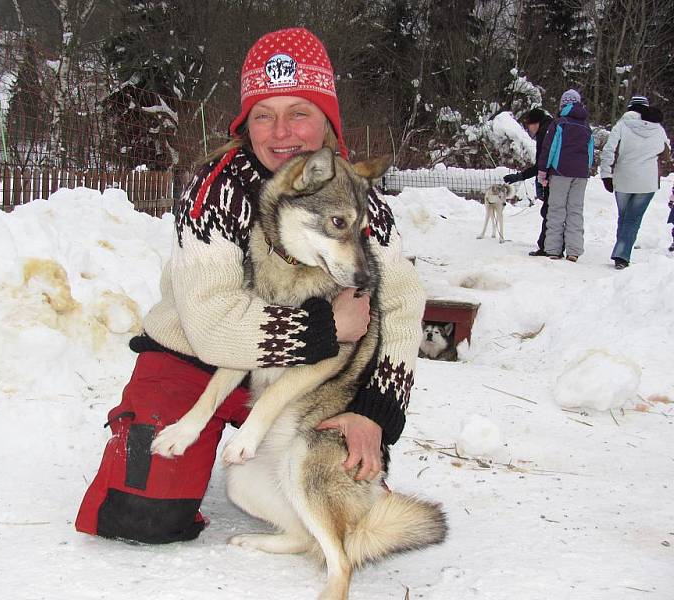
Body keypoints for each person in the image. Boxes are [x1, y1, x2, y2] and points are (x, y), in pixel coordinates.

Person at [75, 27, 426, 544]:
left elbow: (401, 303)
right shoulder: (213, 191)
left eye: (299, 112)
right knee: (139, 516)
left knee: (331, 488)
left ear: (327, 124)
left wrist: (373, 412)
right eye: (264, 114)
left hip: (305, 375)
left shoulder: (353, 197)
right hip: (194, 355)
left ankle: (341, 496)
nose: (282, 132)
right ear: (246, 125)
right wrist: (327, 327)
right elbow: (214, 328)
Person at [599, 100, 670, 269]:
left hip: (623, 178)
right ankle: (622, 256)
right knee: (633, 219)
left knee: (624, 217)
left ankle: (620, 251)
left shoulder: (622, 125)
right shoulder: (658, 129)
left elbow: (609, 150)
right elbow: (666, 154)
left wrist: (606, 175)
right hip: (647, 182)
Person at [536, 89, 594, 262]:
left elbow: (550, 148)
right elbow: (590, 153)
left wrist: (543, 170)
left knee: (556, 210)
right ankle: (574, 251)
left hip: (560, 172)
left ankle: (553, 249)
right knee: (575, 211)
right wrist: (586, 170)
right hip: (581, 174)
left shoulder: (559, 124)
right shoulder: (586, 127)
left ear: (563, 105)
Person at [503, 107, 554, 255]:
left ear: (535, 123)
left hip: (552, 177)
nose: (528, 129)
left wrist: (521, 176)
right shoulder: (552, 127)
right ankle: (554, 246)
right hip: (565, 175)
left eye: (528, 125)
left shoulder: (545, 132)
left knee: (549, 211)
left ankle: (546, 246)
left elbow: (541, 164)